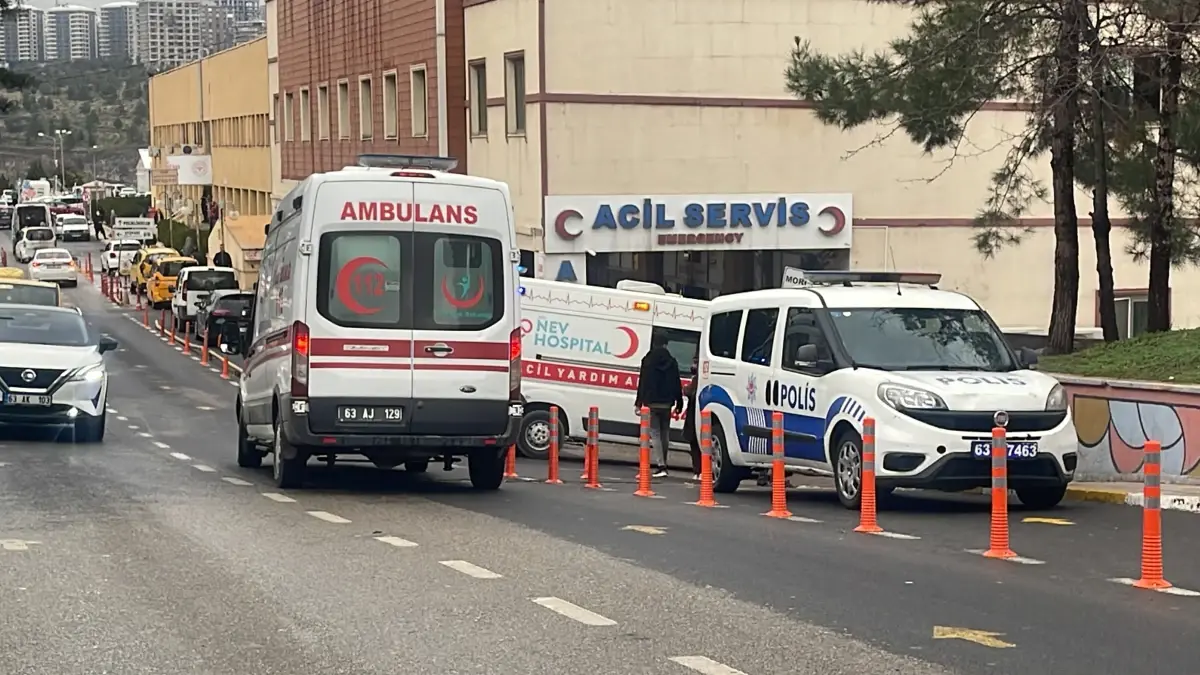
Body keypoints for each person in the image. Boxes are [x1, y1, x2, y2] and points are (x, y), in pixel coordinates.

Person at [634, 333, 684, 478]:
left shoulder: (647, 360)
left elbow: (642, 383)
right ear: (666, 344)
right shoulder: (672, 361)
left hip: (652, 402)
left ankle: (661, 466)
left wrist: (639, 402)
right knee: (665, 433)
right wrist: (679, 403)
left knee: (654, 434)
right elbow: (676, 383)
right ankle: (664, 463)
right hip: (667, 403)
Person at [683, 356, 702, 480]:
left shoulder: (698, 379)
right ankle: (698, 471)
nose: (693, 366)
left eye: (695, 363)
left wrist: (685, 389)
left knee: (695, 445)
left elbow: (690, 392)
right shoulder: (697, 378)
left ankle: (699, 471)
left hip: (695, 415)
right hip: (695, 415)